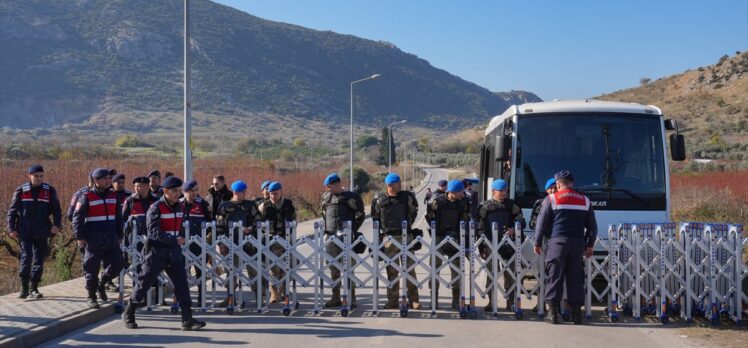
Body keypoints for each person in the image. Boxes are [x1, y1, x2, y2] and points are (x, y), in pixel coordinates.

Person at [122, 176, 206, 331]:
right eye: (174, 191)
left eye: (179, 191)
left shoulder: (180, 207)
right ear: (165, 191)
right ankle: (129, 313)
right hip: (156, 252)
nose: (177, 194)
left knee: (182, 285)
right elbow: (153, 232)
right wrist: (174, 239)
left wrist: (177, 240)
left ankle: (187, 320)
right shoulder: (156, 207)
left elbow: (179, 226)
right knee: (143, 284)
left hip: (173, 253)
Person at [533, 170, 597, 325]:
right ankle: (576, 315)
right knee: (576, 278)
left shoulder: (551, 199)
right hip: (578, 244)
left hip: (557, 243)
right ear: (572, 183)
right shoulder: (585, 200)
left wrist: (537, 242)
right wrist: (590, 245)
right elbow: (592, 226)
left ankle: (553, 314)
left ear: (558, 183)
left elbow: (541, 224)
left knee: (554, 277)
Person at [6, 165, 62, 299]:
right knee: (26, 256)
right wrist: (11, 228)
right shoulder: (21, 190)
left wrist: (56, 225)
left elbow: (57, 210)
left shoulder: (49, 190)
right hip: (25, 229)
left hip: (42, 229)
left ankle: (34, 287)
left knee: (39, 259)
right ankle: (24, 287)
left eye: (41, 176)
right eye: (36, 176)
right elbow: (12, 211)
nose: (39, 178)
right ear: (29, 176)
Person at [72, 168, 125, 308]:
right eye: (105, 178)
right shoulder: (86, 196)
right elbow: (77, 219)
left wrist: (120, 235)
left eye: (109, 178)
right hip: (93, 239)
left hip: (111, 238)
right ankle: (91, 296)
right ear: (96, 180)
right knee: (91, 268)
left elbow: (119, 218)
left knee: (119, 263)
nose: (109, 181)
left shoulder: (114, 196)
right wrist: (79, 237)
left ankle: (102, 284)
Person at [371, 173, 421, 310]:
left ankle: (414, 300)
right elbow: (375, 217)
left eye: (399, 183)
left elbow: (413, 213)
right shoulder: (379, 199)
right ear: (389, 186)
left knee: (410, 270)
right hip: (389, 238)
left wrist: (407, 226)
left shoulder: (407, 197)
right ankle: (392, 300)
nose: (398, 185)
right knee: (391, 271)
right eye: (395, 184)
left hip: (406, 237)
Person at [476, 179, 526, 311]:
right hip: (490, 244)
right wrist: (481, 246)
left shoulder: (512, 205)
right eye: (501, 191)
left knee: (510, 273)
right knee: (491, 273)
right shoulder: (485, 206)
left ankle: (511, 303)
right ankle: (491, 302)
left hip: (508, 245)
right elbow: (479, 227)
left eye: (505, 190)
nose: (504, 193)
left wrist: (514, 229)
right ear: (493, 191)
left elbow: (521, 221)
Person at [320, 173, 365, 308]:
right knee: (333, 268)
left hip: (347, 237)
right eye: (327, 187)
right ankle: (336, 297)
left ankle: (351, 297)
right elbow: (323, 213)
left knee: (349, 267)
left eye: (329, 187)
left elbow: (361, 215)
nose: (328, 189)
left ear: (337, 184)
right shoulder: (326, 197)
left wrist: (353, 229)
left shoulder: (352, 197)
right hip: (330, 237)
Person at [214, 180, 261, 306]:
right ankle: (231, 297)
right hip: (230, 244)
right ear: (235, 192)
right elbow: (219, 226)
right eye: (242, 192)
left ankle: (258, 297)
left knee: (253, 270)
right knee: (230, 271)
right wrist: (221, 244)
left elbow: (258, 221)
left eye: (245, 191)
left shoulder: (250, 206)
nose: (244, 194)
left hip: (248, 244)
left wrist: (251, 228)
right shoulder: (225, 206)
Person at [426, 179, 470, 309]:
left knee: (457, 272)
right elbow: (428, 216)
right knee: (434, 270)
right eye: (461, 191)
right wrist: (434, 229)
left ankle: (456, 301)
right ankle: (433, 300)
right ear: (453, 192)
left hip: (456, 239)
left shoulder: (464, 202)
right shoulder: (437, 201)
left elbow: (466, 218)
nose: (463, 193)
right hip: (439, 238)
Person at [257, 182, 296, 303]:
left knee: (289, 266)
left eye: (275, 194)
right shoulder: (264, 206)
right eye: (271, 194)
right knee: (273, 268)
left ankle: (284, 290)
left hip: (286, 240)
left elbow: (295, 220)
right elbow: (258, 222)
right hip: (271, 241)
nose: (273, 196)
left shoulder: (289, 205)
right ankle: (274, 292)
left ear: (281, 191)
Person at [181, 179, 212, 304]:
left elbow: (211, 222)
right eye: (190, 191)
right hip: (182, 244)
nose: (194, 193)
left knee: (200, 271)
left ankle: (201, 296)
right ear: (184, 192)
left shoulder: (202, 204)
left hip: (198, 244)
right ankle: (184, 297)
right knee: (182, 272)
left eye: (195, 190)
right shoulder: (178, 204)